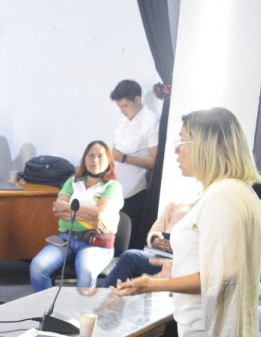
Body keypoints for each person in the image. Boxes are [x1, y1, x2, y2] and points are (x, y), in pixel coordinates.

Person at [112, 107, 261, 337]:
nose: (176, 150)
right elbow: (221, 259)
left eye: (182, 141)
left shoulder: (222, 196)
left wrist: (152, 284)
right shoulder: (239, 192)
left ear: (206, 145)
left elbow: (221, 275)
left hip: (205, 336)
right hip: (220, 333)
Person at [29, 140, 123, 291]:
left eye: (100, 156)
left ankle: (79, 308)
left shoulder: (112, 186)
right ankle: (46, 305)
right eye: (91, 156)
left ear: (109, 161)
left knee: (86, 272)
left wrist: (69, 209)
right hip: (67, 238)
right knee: (37, 266)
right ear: (84, 159)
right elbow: (57, 209)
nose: (95, 160)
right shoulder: (72, 182)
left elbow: (99, 213)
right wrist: (90, 216)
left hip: (95, 242)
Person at [110, 79, 159, 248]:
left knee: (129, 243)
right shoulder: (122, 120)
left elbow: (153, 161)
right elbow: (114, 151)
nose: (122, 110)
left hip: (135, 192)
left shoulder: (151, 121)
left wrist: (123, 157)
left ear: (137, 100)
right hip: (116, 188)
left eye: (125, 106)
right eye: (119, 106)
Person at [99, 200, 194, 288]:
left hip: (186, 259)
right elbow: (154, 231)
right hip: (162, 254)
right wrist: (155, 240)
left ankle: (105, 296)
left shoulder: (202, 213)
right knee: (130, 257)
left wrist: (178, 246)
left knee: (130, 257)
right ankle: (104, 296)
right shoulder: (176, 204)